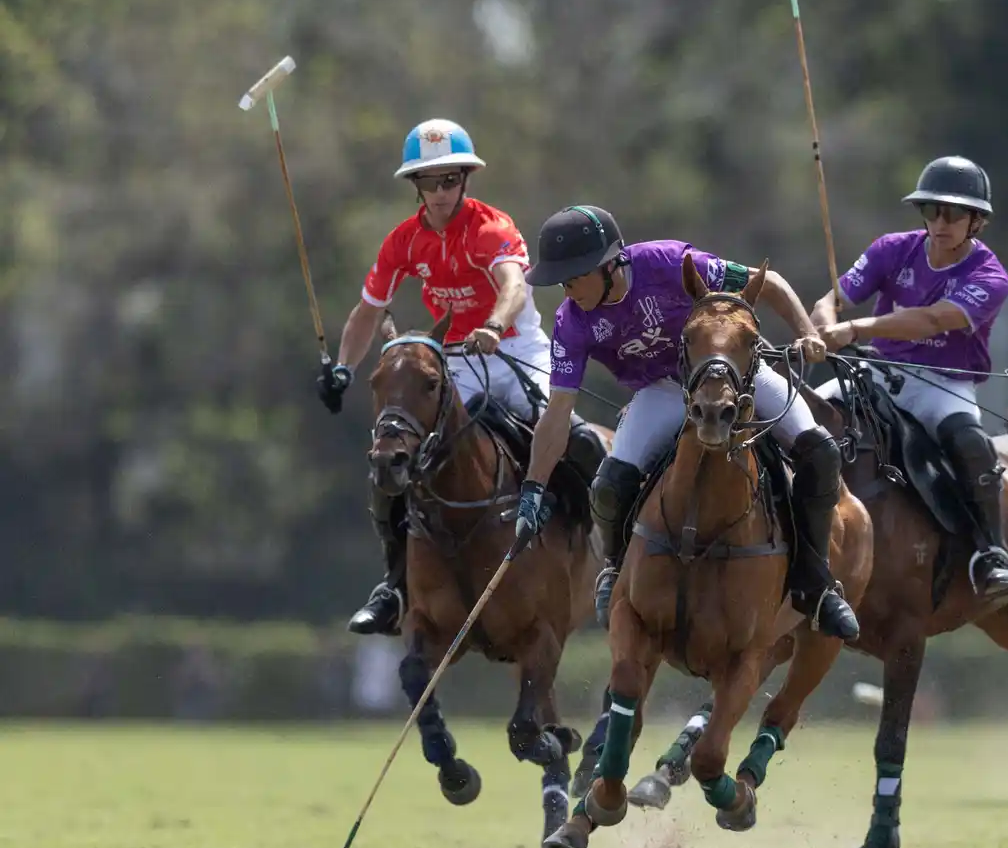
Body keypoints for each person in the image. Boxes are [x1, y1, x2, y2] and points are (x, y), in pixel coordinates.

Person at [513, 204, 861, 641]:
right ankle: (616, 569)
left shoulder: (668, 263)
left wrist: (806, 330)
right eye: (561, 279)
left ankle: (817, 584)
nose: (567, 288)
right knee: (610, 483)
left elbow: (767, 282)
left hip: (733, 379)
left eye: (575, 275)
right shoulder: (571, 322)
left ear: (610, 265)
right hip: (662, 391)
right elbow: (558, 411)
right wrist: (532, 487)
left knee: (821, 451)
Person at [316, 118, 554, 636]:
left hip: (517, 349)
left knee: (570, 436)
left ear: (465, 179)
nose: (441, 191)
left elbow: (513, 286)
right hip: (457, 361)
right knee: (399, 450)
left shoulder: (491, 228)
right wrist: (342, 368)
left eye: (450, 179)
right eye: (430, 181)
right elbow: (368, 310)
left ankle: (600, 562)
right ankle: (394, 584)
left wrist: (494, 323)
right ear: (416, 187)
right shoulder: (403, 242)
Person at [811, 156, 1008, 603]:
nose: (940, 223)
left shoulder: (990, 276)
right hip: (876, 370)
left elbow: (929, 321)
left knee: (971, 444)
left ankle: (992, 552)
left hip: (942, 384)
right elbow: (832, 299)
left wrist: (854, 330)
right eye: (931, 211)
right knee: (801, 416)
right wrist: (825, 326)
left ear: (976, 221)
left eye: (953, 213)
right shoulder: (892, 248)